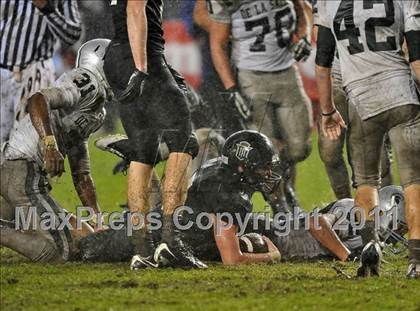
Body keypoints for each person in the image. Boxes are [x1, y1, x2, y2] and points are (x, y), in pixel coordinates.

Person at [315, 0, 420, 278]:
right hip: (401, 95)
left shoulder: (329, 2)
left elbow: (322, 62)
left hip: (361, 103)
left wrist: (327, 110)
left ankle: (370, 248)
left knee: (365, 184)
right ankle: (416, 261)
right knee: (414, 184)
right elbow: (416, 56)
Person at [104, 0, 207, 269]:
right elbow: (135, 9)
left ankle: (142, 247)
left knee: (143, 150)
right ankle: (172, 242)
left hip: (117, 57)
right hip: (141, 57)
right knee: (184, 142)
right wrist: (141, 67)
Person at [0, 39, 111, 262]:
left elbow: (82, 173)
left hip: (25, 177)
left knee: (89, 238)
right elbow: (38, 99)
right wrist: (50, 145)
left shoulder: (99, 110)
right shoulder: (87, 80)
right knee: (65, 251)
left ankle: (12, 221)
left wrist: (96, 218)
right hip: (22, 171)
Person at [206, 0, 313, 212]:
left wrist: (305, 37)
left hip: (287, 73)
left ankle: (285, 189)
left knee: (300, 148)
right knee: (264, 154)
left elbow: (304, 9)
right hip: (251, 79)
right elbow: (217, 43)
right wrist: (231, 89)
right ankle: (281, 208)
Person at [311, 1, 393, 200]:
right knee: (329, 152)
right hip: (336, 76)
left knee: (376, 157)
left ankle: (390, 214)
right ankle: (344, 205)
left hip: (371, 75)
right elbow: (317, 31)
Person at [0, 0, 82, 145]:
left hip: (35, 70)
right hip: (2, 71)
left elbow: (72, 34)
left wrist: (47, 8)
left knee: (29, 145)